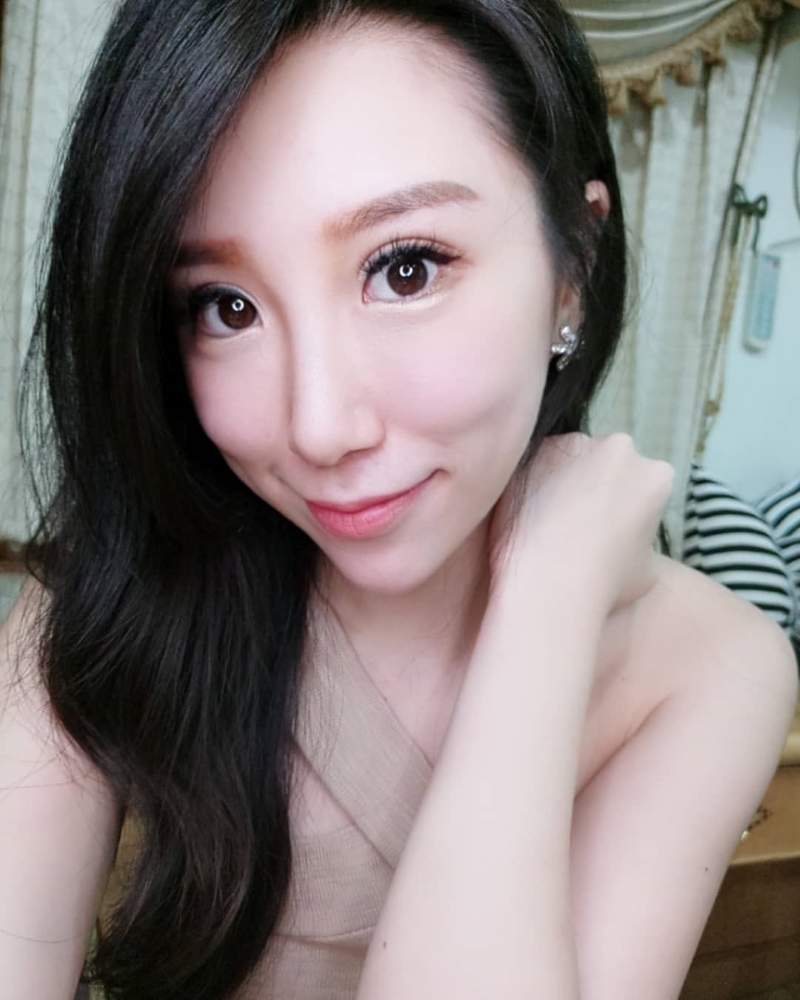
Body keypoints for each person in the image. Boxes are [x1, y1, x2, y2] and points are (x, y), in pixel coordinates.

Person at [0, 1, 796, 998]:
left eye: (405, 268)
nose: (318, 426)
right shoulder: (112, 595)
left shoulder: (712, 666)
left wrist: (543, 605)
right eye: (225, 306)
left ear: (572, 274)